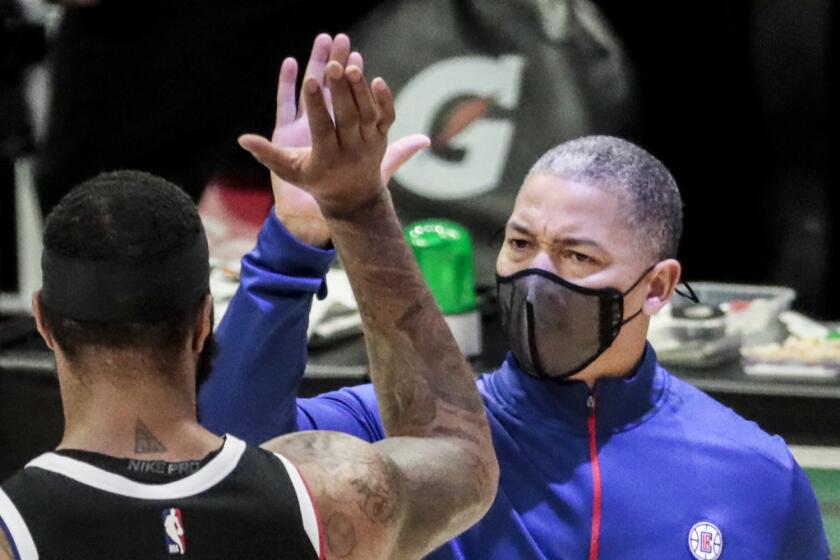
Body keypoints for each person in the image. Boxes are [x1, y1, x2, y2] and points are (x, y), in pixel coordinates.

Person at [198, 36, 831, 559]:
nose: (538, 275)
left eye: (578, 257)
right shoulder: (402, 428)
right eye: (521, 244)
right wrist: (294, 245)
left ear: (659, 287)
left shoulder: (757, 476)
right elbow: (229, 456)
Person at [0, 36, 498, 560]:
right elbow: (458, 454)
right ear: (203, 324)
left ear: (44, 322)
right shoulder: (329, 496)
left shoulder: (12, 531)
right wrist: (357, 206)